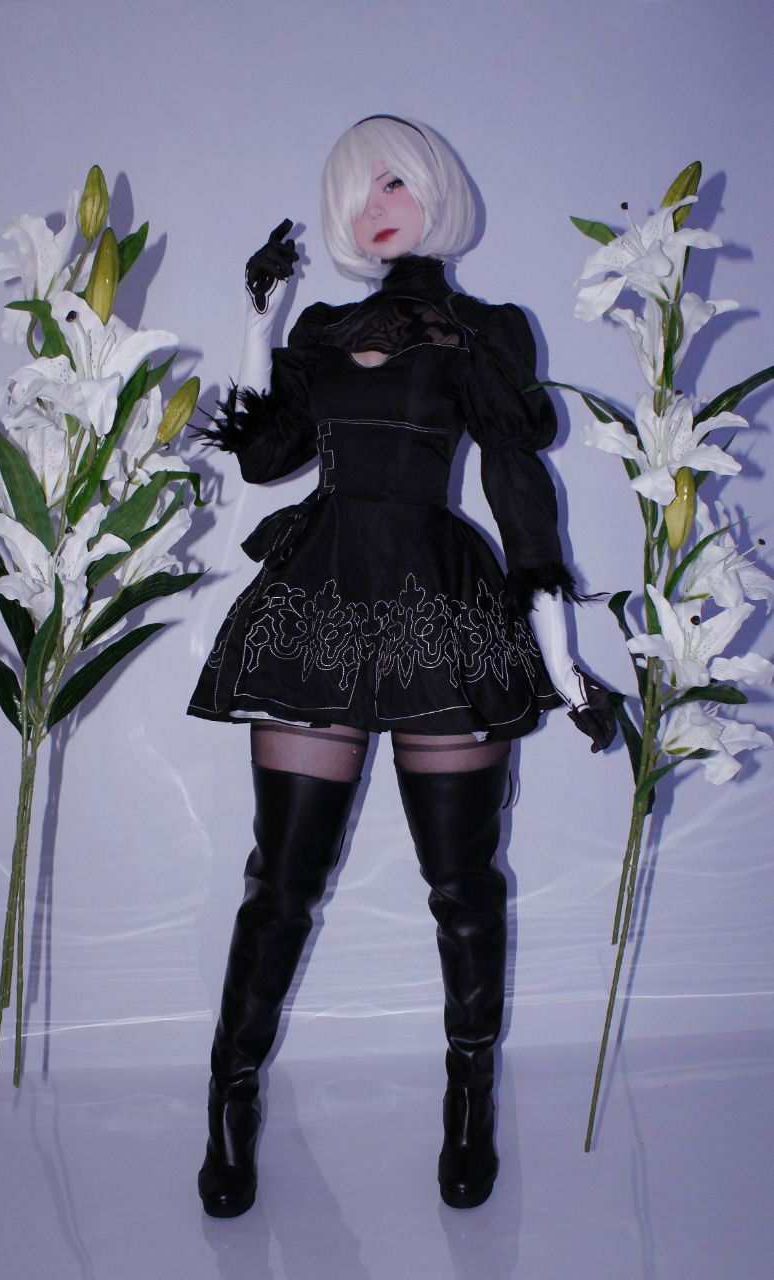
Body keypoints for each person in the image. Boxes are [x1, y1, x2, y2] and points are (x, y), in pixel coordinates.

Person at [189, 114, 615, 1218]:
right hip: (322, 604)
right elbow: (264, 455)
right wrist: (257, 318)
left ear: (433, 189)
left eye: (392, 181)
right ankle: (230, 1100)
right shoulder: (322, 331)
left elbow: (520, 494)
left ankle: (469, 1101)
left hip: (439, 611)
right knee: (279, 881)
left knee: (462, 884)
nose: (371, 205)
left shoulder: (482, 334)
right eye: (353, 189)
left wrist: (562, 660)